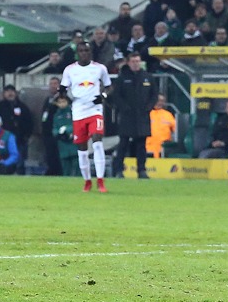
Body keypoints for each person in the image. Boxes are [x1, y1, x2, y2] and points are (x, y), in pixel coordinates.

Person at [60, 41, 112, 192]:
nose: (84, 53)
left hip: (94, 110)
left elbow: (109, 87)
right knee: (82, 149)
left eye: (87, 51)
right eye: (81, 51)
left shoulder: (100, 68)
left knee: (97, 141)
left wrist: (102, 96)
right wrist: (64, 95)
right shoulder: (70, 70)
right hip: (78, 112)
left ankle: (101, 181)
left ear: (91, 52)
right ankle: (87, 181)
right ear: (77, 53)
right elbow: (63, 88)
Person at [111, 50, 156, 179]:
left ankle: (141, 170)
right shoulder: (123, 77)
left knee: (141, 145)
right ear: (128, 63)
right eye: (133, 61)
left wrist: (149, 107)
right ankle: (119, 170)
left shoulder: (148, 77)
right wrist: (124, 108)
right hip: (127, 116)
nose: (136, 64)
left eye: (138, 61)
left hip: (142, 116)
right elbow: (117, 96)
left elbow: (154, 95)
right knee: (123, 144)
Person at [146, 93, 177, 158]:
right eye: (157, 100)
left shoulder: (168, 115)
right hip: (148, 149)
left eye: (162, 101)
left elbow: (176, 130)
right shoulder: (146, 114)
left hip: (163, 150)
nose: (159, 102)